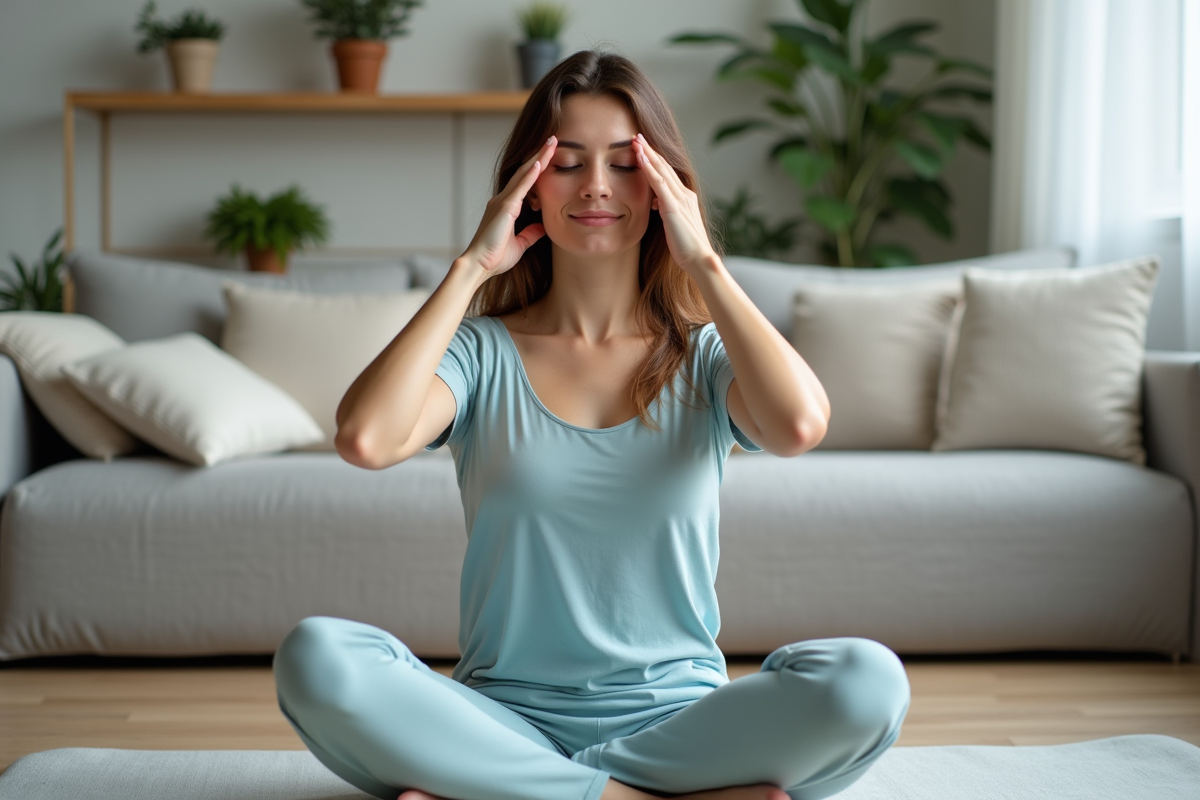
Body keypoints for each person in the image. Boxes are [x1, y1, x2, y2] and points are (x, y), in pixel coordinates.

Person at [272, 50, 910, 800]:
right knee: (317, 657)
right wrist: (472, 266)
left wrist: (702, 258)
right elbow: (366, 440)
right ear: (528, 186)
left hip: (681, 721)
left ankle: (516, 792)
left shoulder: (704, 354)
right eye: (567, 163)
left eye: (626, 164)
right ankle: (627, 795)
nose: (598, 187)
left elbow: (799, 425)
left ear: (665, 184)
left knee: (867, 682)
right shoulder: (481, 353)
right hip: (502, 718)